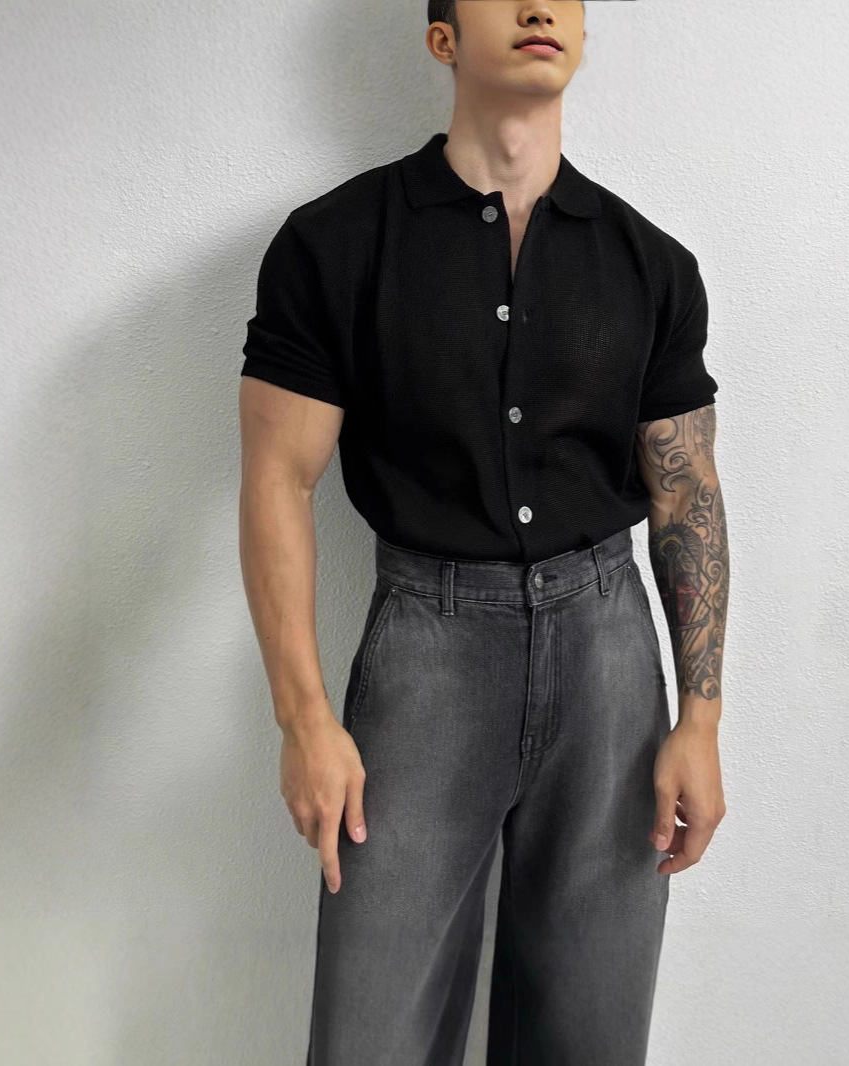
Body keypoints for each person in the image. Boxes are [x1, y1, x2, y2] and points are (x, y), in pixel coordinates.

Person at [237, 2, 729, 1062]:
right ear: (443, 38)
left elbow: (686, 493)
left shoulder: (651, 264)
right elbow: (278, 478)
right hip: (429, 649)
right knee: (373, 1033)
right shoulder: (337, 243)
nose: (540, 7)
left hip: (608, 657)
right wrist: (304, 720)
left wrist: (700, 719)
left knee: (589, 1029)